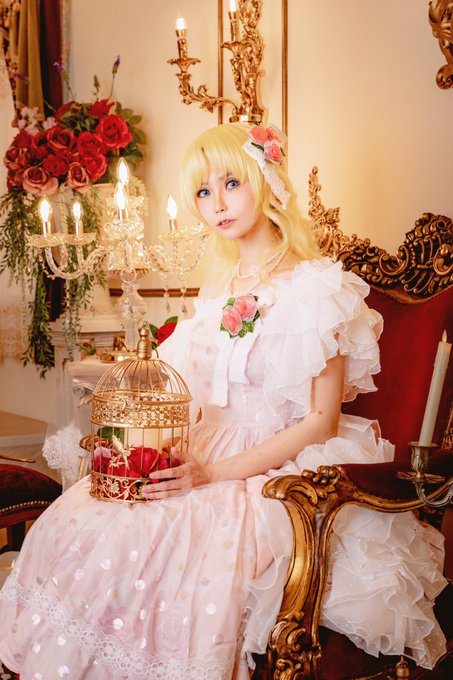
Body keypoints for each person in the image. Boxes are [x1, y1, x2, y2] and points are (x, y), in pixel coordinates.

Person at [0, 122, 447, 680]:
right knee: (88, 517)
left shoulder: (318, 290)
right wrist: (152, 451)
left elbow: (320, 422)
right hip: (205, 448)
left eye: (231, 183)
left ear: (265, 178)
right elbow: (189, 395)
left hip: (277, 464)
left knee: (161, 537)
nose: (216, 204)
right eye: (203, 191)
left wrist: (212, 473)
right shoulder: (218, 292)